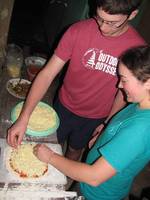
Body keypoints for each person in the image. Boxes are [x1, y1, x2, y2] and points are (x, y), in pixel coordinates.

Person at [7, 0, 145, 161]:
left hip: (97, 116)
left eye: (112, 23)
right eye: (99, 18)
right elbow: (47, 74)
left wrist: (107, 123)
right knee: (47, 145)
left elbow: (123, 93)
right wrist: (24, 118)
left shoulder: (137, 50)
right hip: (64, 104)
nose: (102, 27)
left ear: (132, 14)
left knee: (74, 150)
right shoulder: (77, 31)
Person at [33, 45, 150, 200]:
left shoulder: (141, 128)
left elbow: (94, 177)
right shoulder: (139, 105)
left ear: (148, 82)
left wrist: (50, 157)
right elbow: (122, 130)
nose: (119, 85)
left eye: (124, 79)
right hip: (91, 185)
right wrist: (104, 133)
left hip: (97, 194)